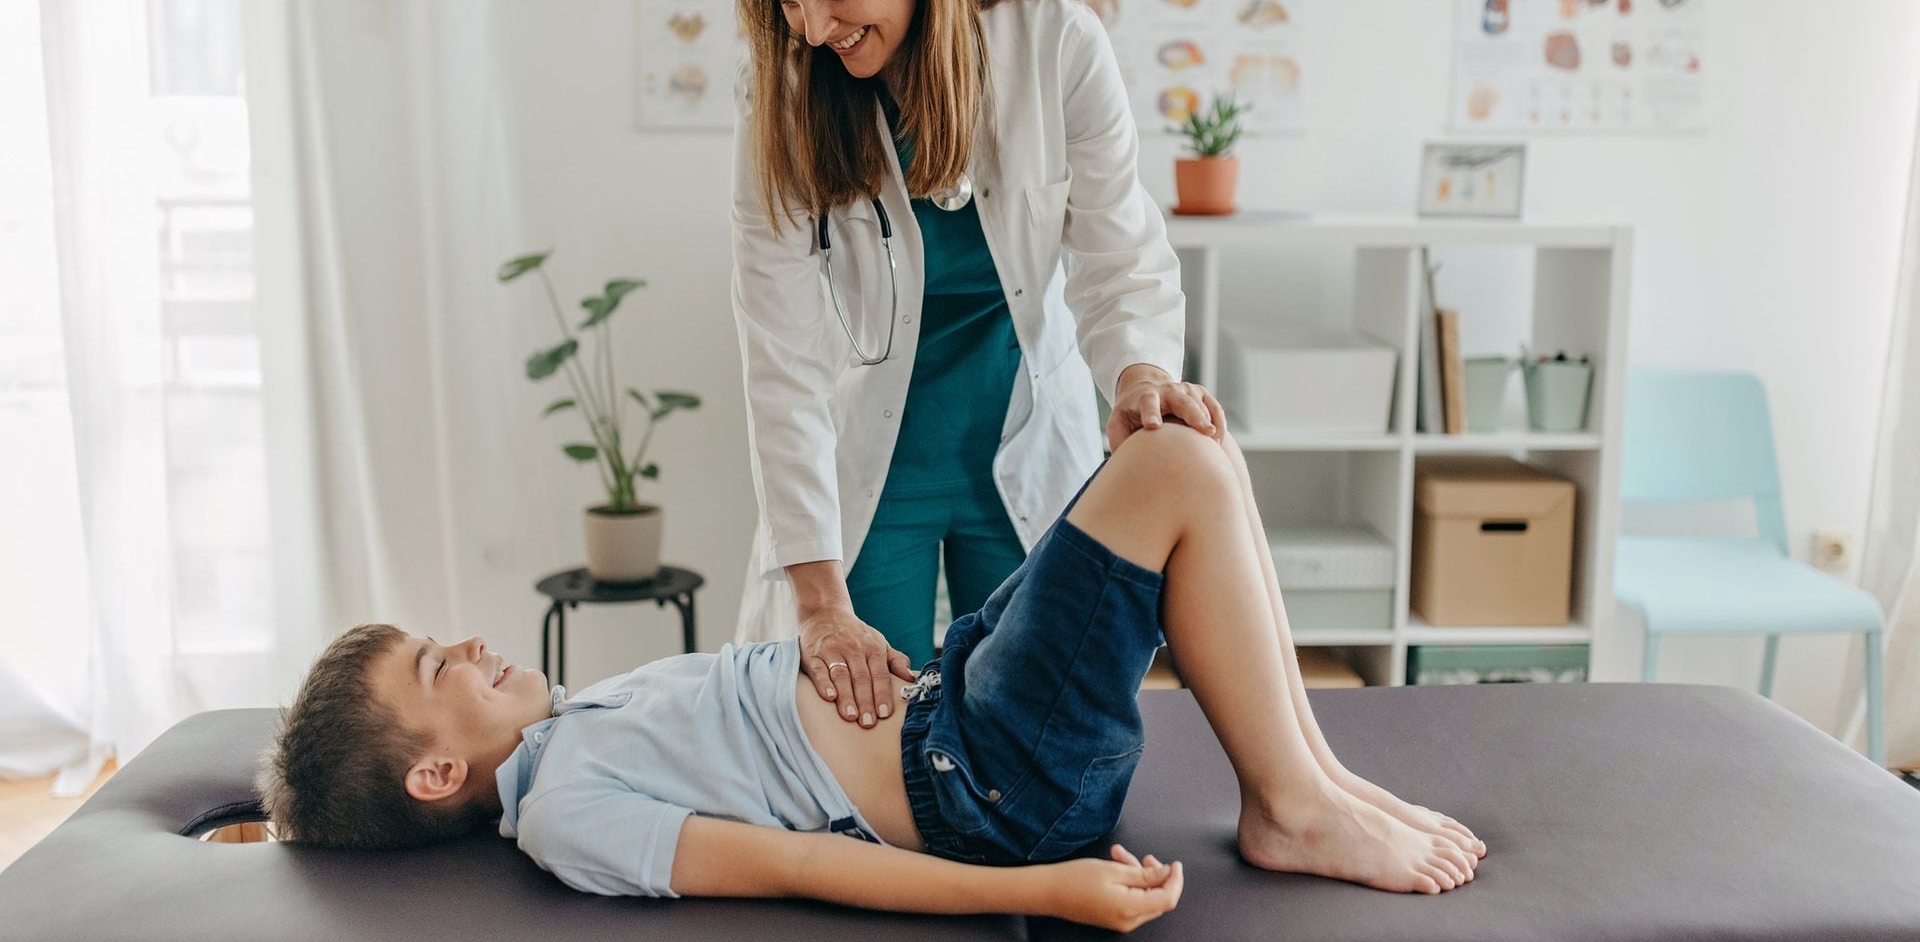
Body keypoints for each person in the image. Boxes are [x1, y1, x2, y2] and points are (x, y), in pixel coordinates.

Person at [258, 423, 1484, 933]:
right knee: (1168, 474)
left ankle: (1316, 777)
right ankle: (1290, 806)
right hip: (989, 790)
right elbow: (793, 862)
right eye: (437, 665)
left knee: (1183, 457)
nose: (469, 646)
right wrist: (1043, 895)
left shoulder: (568, 726)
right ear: (433, 769)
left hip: (953, 708)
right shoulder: (566, 813)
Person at [726, 0, 1218, 715]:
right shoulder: (783, 98)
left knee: (1033, 723)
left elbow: (1120, 252)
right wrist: (815, 600)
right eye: (789, 3)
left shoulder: (1053, 44)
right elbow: (780, 355)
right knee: (868, 735)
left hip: (1026, 437)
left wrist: (1140, 374)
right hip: (880, 462)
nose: (813, 30)